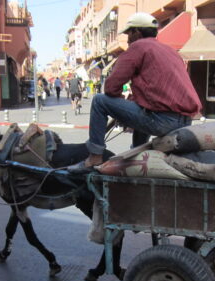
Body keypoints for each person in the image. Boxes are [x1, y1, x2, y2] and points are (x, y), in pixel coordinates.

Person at [69, 12, 201, 171]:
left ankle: (95, 156)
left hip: (163, 121)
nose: (127, 38)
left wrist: (117, 106)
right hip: (185, 121)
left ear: (137, 32)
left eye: (128, 33)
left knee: (99, 101)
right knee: (141, 108)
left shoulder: (138, 47)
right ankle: (136, 152)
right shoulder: (170, 51)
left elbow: (111, 87)